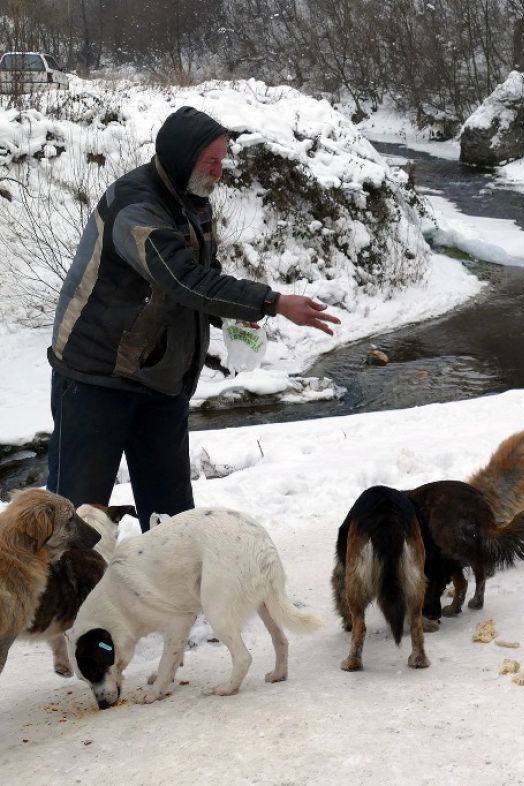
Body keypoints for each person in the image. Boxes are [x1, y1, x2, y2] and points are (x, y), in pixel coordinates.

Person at [46, 106, 340, 531]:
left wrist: (230, 318)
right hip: (95, 378)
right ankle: (60, 598)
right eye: (212, 162)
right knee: (73, 520)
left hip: (161, 378)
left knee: (172, 521)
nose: (220, 171)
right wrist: (271, 302)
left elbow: (202, 274)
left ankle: (169, 596)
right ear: (184, 157)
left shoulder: (192, 198)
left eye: (223, 160)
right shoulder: (136, 208)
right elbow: (180, 278)